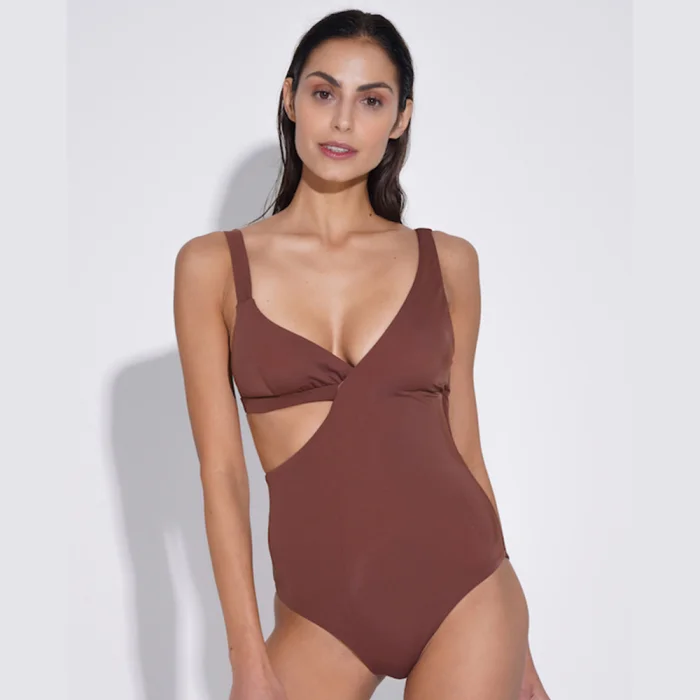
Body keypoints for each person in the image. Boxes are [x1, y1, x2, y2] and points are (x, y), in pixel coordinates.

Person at [174, 9, 550, 700]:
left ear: (401, 118)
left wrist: (517, 654)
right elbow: (222, 473)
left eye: (371, 101)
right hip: (323, 609)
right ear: (291, 98)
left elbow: (465, 448)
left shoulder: (450, 263)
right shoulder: (213, 266)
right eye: (325, 93)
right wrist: (248, 659)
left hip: (468, 587)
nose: (343, 121)